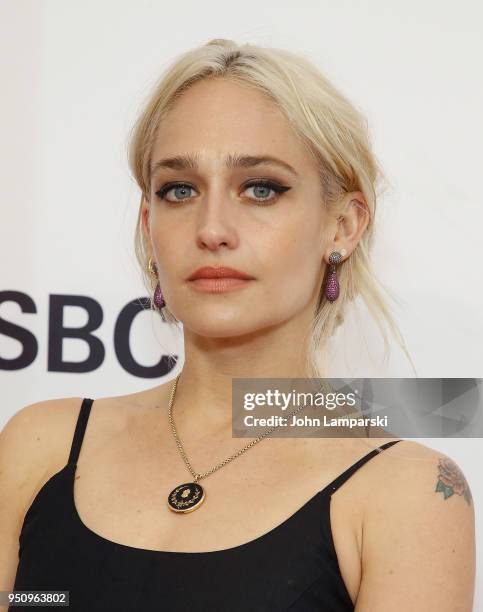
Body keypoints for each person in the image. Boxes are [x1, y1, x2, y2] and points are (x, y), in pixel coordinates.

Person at [0, 38, 475, 611]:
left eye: (261, 188)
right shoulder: (40, 445)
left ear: (342, 227)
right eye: (180, 190)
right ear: (149, 224)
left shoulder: (407, 493)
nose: (212, 228)